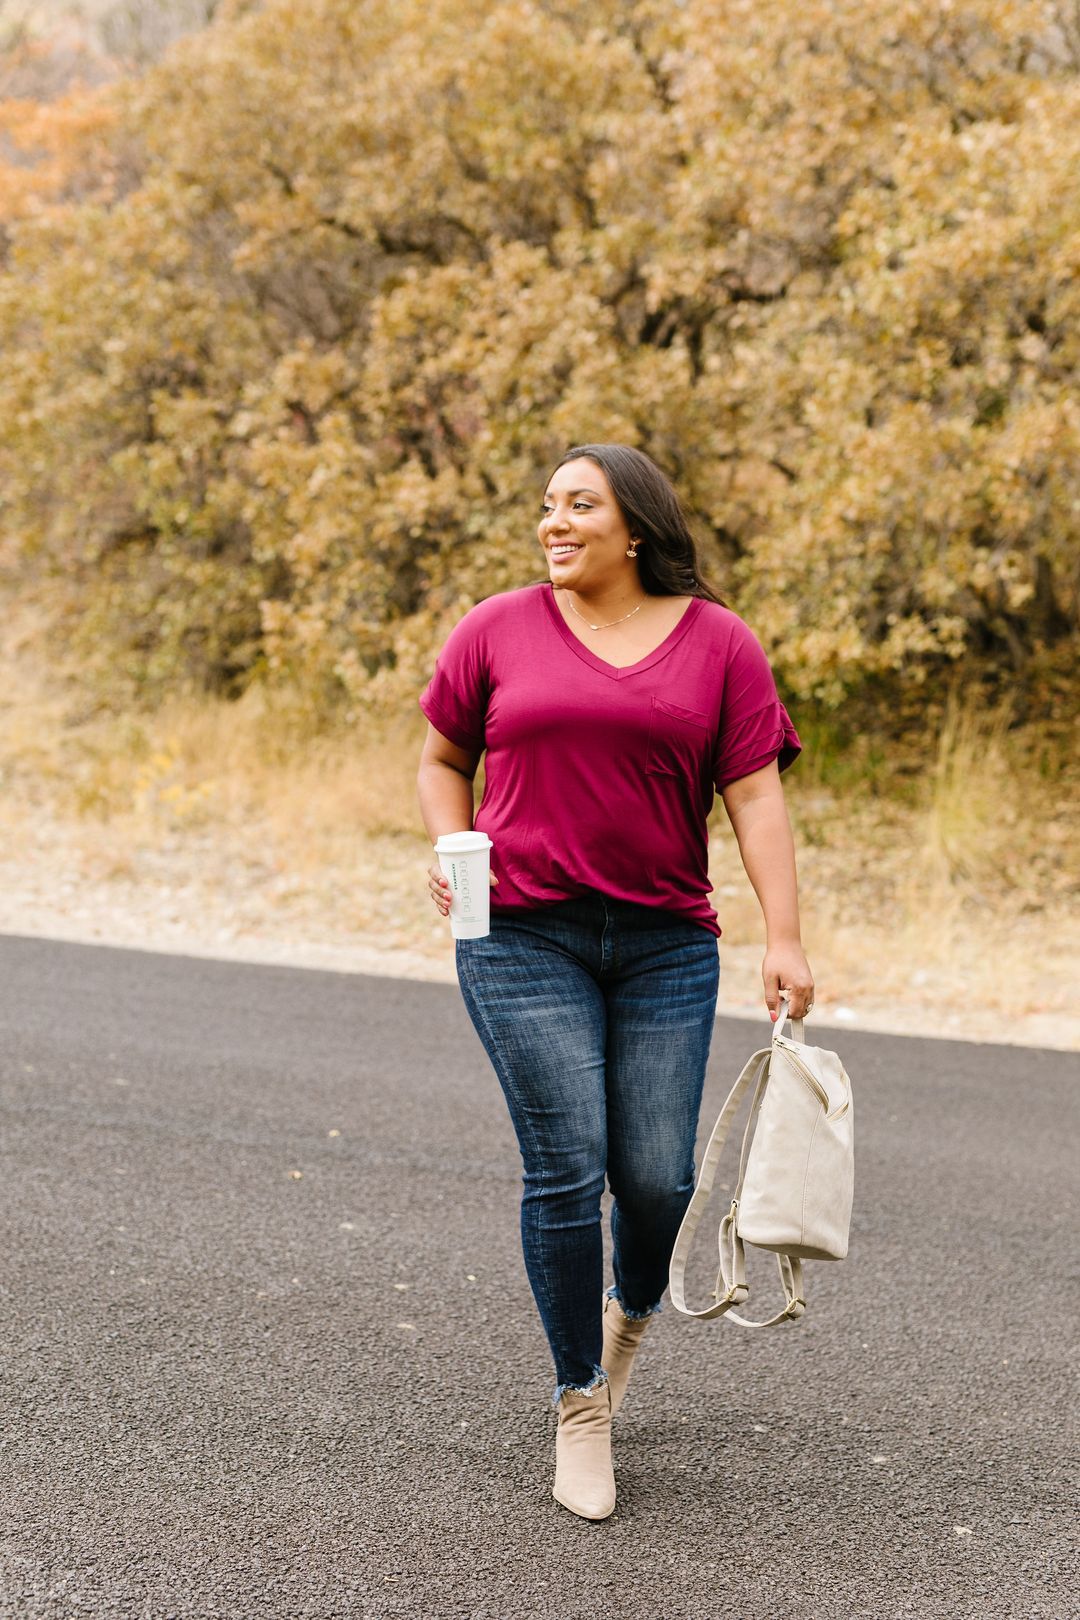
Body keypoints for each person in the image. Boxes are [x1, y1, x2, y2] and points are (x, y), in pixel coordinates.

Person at [415, 443, 814, 1521]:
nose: (554, 522)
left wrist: (785, 935)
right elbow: (443, 754)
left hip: (665, 946)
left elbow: (758, 798)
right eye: (546, 505)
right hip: (520, 936)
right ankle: (581, 1402)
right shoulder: (495, 628)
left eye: (579, 505)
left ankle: (626, 1314)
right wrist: (455, 848)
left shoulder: (720, 645)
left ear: (633, 527)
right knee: (567, 1162)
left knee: (656, 1180)